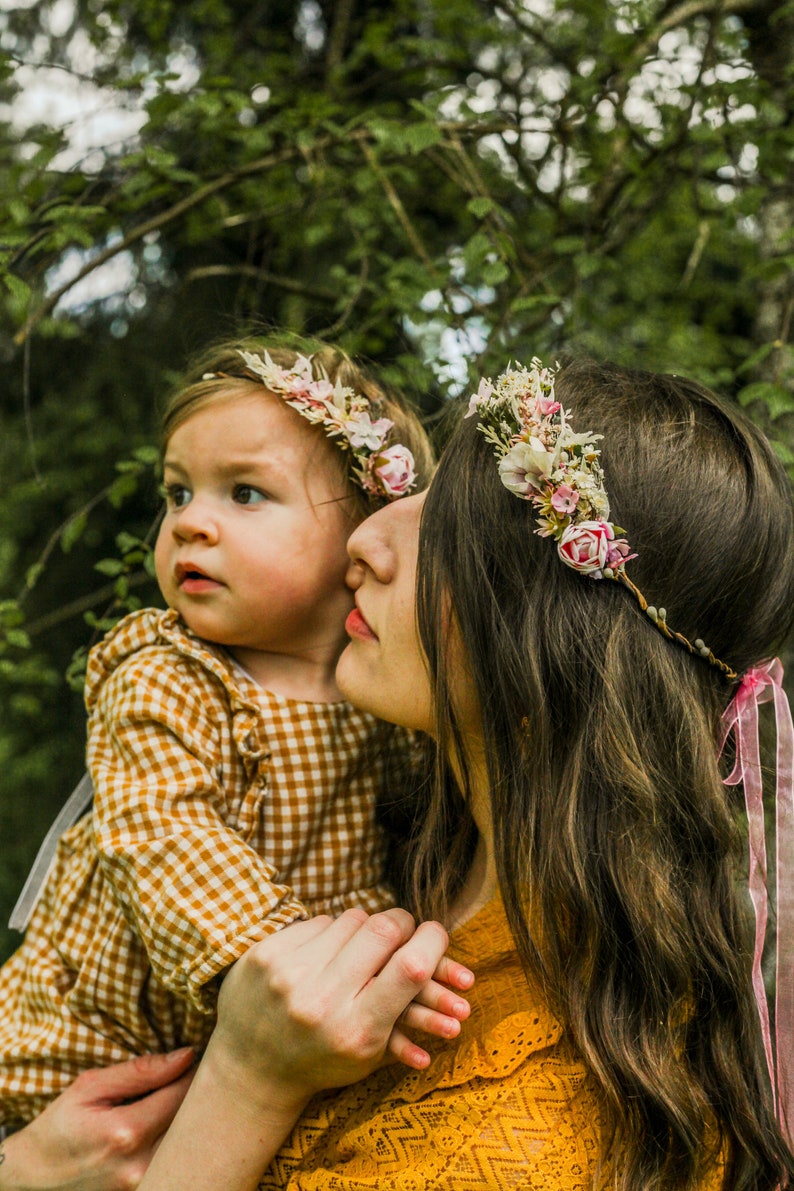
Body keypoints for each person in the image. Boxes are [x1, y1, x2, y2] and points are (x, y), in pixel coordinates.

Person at [1, 356, 793, 1190]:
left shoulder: (529, 1135)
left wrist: (246, 1078)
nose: (365, 537)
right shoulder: (405, 848)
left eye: (445, 526)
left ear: (547, 646)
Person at [0, 337, 471, 1131]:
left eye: (244, 493)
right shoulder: (165, 674)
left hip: (250, 1070)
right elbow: (167, 839)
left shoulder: (389, 695)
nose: (192, 524)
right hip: (75, 1066)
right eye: (178, 493)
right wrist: (288, 968)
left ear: (362, 530)